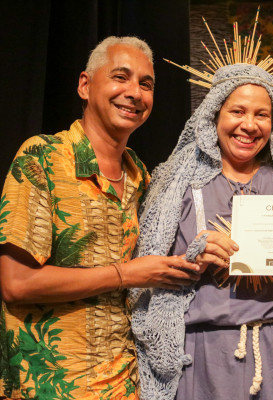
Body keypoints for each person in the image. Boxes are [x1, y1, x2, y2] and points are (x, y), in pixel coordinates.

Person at [128, 43, 273, 400]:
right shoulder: (174, 185)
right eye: (237, 111)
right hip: (204, 359)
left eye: (262, 114)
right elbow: (143, 280)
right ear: (214, 115)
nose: (249, 125)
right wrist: (192, 258)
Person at [0, 37, 200, 399]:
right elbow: (16, 283)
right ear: (85, 85)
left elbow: (161, 266)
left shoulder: (141, 176)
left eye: (146, 84)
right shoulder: (42, 158)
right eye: (120, 77)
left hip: (126, 383)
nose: (134, 93)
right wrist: (126, 274)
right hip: (51, 386)